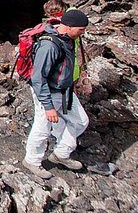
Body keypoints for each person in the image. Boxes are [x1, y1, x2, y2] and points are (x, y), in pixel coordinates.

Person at [23, 9, 90, 179]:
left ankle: (61, 153)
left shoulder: (69, 39)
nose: (83, 33)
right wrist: (48, 106)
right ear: (68, 26)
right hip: (49, 92)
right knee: (43, 126)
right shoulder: (49, 45)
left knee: (80, 120)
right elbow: (38, 78)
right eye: (81, 29)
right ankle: (32, 160)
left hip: (65, 90)